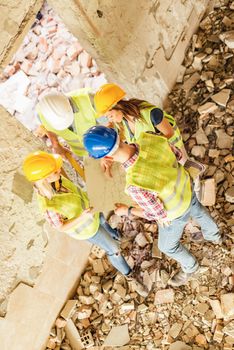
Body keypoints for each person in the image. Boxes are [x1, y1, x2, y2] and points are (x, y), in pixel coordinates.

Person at [83, 126, 222, 287]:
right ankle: (215, 236)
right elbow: (177, 155)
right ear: (118, 136)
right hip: (186, 187)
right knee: (198, 211)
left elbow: (156, 213)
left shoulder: (135, 184)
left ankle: (191, 267)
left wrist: (126, 210)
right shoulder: (149, 138)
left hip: (176, 211)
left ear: (107, 157)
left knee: (167, 246)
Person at [23, 151, 147, 297]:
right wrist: (83, 216)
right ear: (46, 177)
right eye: (55, 170)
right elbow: (61, 227)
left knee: (103, 222)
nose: (59, 170)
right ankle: (130, 275)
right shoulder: (48, 206)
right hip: (87, 229)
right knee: (113, 249)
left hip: (92, 212)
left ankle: (117, 236)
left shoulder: (55, 180)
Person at [35, 88, 98, 159]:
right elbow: (48, 129)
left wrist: (105, 150)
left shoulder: (89, 98)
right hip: (82, 153)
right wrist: (56, 145)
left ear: (69, 103)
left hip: (104, 145)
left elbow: (108, 120)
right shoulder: (41, 115)